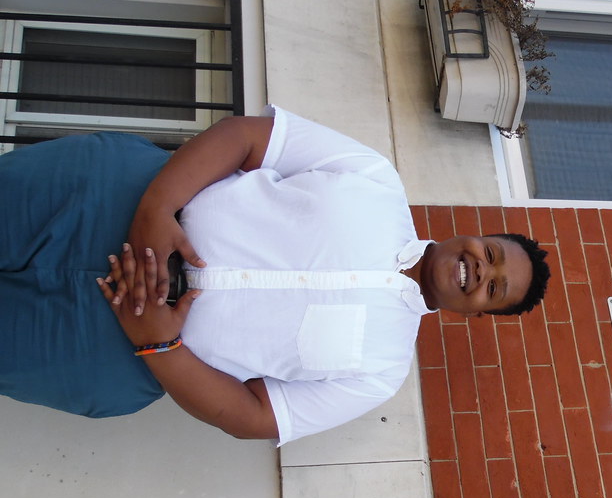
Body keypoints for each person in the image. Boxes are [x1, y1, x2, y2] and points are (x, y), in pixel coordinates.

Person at [0, 106, 550, 444]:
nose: (482, 269)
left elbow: (254, 416)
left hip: (107, 347)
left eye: (494, 288)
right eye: (494, 252)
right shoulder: (376, 180)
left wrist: (158, 346)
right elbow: (246, 137)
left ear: (478, 313)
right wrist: (157, 211)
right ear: (479, 233)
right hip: (113, 199)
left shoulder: (380, 372)